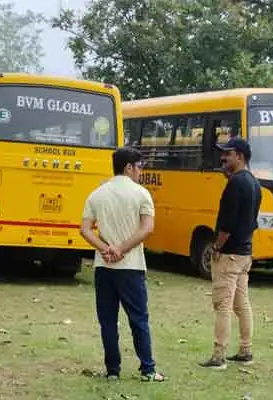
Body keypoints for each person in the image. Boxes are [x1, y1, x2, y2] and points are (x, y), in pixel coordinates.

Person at [80, 147, 165, 382]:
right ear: (128, 167)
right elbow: (147, 228)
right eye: (139, 167)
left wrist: (104, 248)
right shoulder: (141, 194)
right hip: (131, 266)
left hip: (103, 266)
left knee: (108, 321)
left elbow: (85, 229)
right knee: (138, 319)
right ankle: (148, 369)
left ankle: (112, 370)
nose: (141, 172)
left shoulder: (97, 194)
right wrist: (122, 249)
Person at [199, 137, 262, 370]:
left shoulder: (235, 184)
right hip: (245, 253)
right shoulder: (254, 183)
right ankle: (246, 350)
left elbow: (227, 224)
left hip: (229, 255)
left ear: (240, 156)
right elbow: (250, 220)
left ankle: (218, 356)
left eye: (228, 154)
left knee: (222, 305)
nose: (223, 158)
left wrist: (216, 247)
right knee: (241, 304)